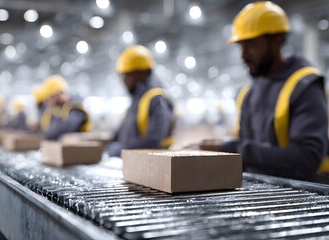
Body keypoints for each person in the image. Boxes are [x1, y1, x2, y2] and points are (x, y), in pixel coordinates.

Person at [199, 1, 329, 180]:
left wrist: (229, 148)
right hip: (262, 193)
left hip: (305, 196)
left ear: (278, 41)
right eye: (241, 45)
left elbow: (307, 159)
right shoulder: (247, 94)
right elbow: (248, 151)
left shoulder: (304, 86)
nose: (243, 54)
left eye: (251, 44)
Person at [105, 45, 175, 157]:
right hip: (132, 163)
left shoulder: (156, 99)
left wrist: (121, 150)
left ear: (141, 73)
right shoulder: (137, 101)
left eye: (127, 75)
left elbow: (154, 142)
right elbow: (121, 133)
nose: (124, 80)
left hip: (150, 167)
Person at [39, 75, 92, 140]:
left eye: (51, 97)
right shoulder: (58, 108)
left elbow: (65, 129)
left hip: (80, 147)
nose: (49, 100)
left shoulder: (75, 107)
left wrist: (49, 134)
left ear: (58, 94)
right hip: (66, 147)